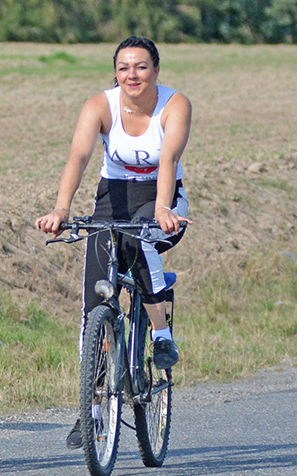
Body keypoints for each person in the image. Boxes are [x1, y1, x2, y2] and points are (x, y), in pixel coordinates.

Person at [34, 36, 192, 450]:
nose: (132, 75)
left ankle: (160, 337)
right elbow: (79, 156)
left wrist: (161, 208)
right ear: (115, 72)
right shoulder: (99, 105)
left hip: (162, 199)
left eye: (141, 67)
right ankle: (90, 412)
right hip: (112, 198)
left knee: (139, 240)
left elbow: (169, 160)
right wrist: (61, 208)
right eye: (123, 68)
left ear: (156, 70)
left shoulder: (174, 105)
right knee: (94, 305)